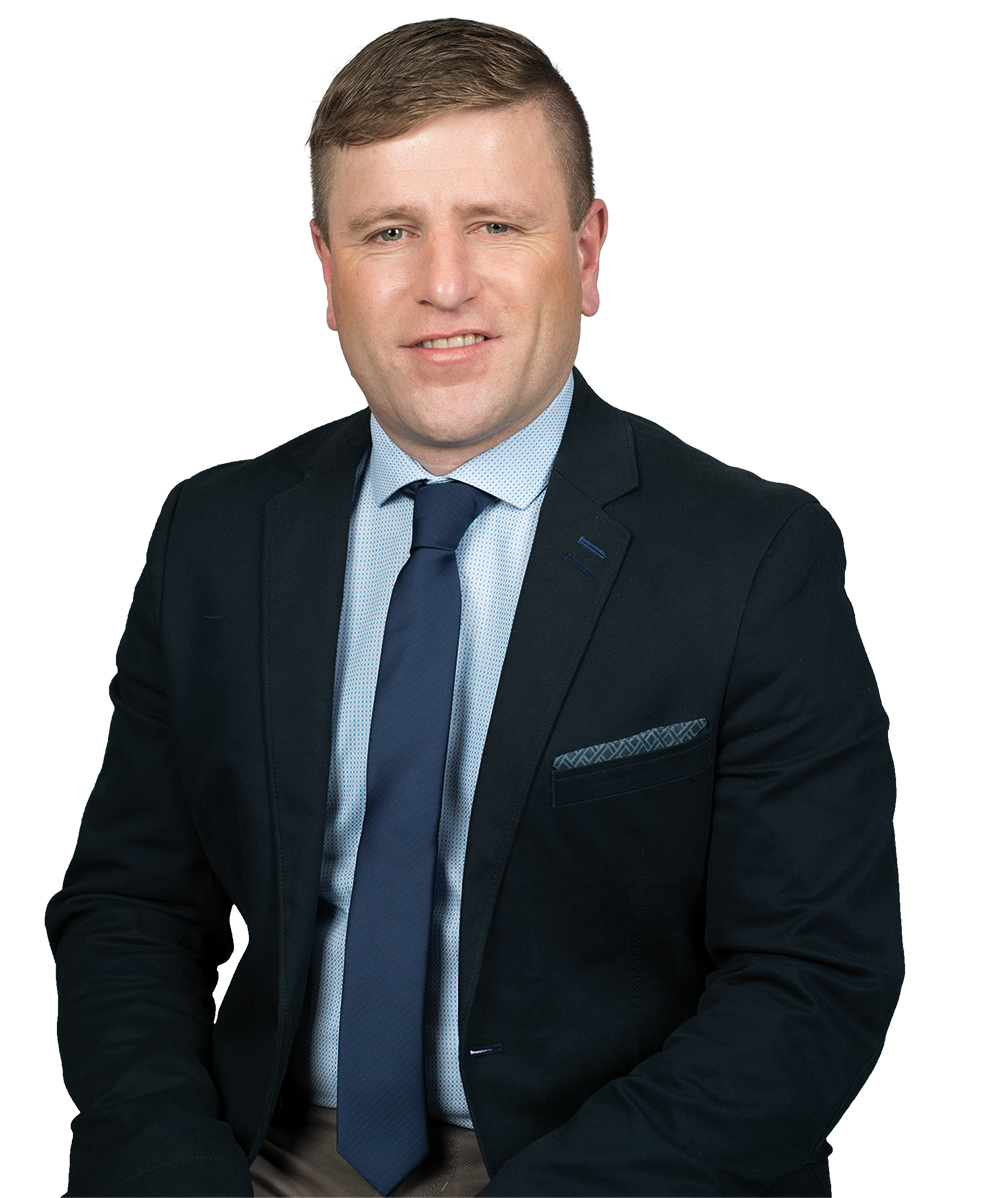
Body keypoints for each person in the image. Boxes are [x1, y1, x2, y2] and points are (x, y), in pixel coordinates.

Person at [46, 18, 904, 1198]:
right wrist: (171, 1172)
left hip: (611, 1164)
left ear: (587, 253)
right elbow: (132, 907)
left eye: (496, 224)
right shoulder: (217, 536)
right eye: (388, 231)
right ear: (328, 270)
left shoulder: (754, 559)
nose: (443, 283)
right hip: (265, 1155)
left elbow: (811, 977)